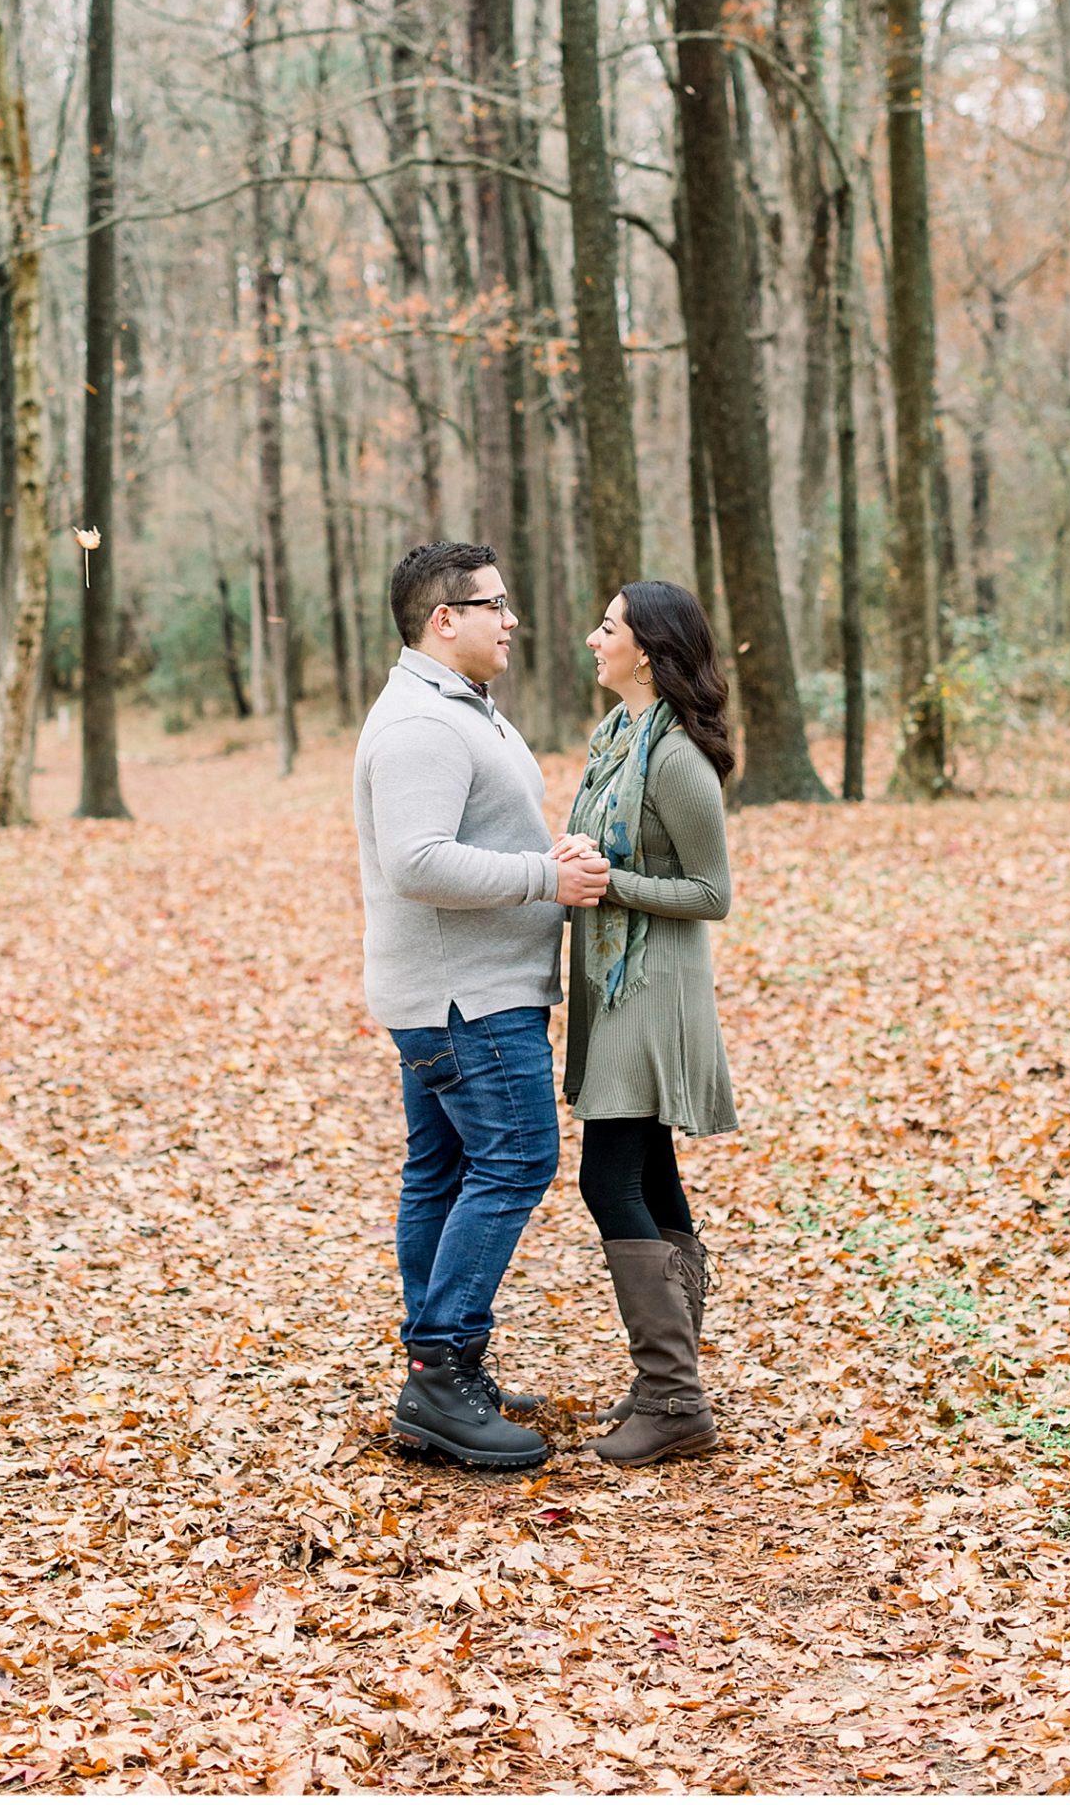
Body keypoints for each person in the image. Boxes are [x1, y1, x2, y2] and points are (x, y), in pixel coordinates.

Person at [354, 540, 611, 1470]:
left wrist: (547, 851)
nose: (511, 620)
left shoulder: (457, 708)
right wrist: (546, 877)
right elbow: (415, 861)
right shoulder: (423, 723)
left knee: (444, 1170)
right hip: (465, 997)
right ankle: (437, 1373)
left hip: (458, 989)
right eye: (493, 605)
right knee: (514, 1160)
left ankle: (446, 1365)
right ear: (442, 619)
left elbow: (466, 838)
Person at [551, 581, 737, 1466]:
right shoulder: (615, 740)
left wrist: (609, 883)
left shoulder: (674, 760)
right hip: (612, 976)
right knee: (651, 1175)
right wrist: (574, 859)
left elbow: (712, 894)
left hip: (653, 987)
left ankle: (671, 1396)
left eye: (608, 628)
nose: (593, 639)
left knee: (608, 1178)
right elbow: (603, 844)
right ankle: (670, 1386)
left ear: (650, 653)